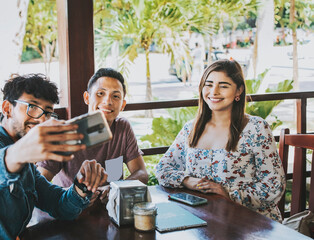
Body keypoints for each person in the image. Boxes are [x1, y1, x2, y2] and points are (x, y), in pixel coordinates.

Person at [0, 74, 107, 239]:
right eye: (32, 107)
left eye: (48, 113)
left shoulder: (28, 168)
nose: (42, 119)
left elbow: (60, 205)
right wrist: (21, 152)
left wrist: (81, 185)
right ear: (7, 109)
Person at [155, 59, 286, 222]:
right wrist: (187, 181)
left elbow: (274, 186)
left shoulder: (256, 128)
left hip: (251, 223)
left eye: (223, 86)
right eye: (208, 84)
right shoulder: (192, 129)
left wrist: (228, 193)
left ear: (238, 91)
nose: (214, 92)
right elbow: (162, 169)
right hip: (203, 219)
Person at [37, 68, 148, 203]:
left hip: (110, 211)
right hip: (71, 213)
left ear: (122, 104)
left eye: (116, 96)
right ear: (87, 98)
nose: (108, 101)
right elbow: (40, 184)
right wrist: (77, 194)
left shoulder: (122, 128)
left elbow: (141, 173)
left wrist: (115, 187)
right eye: (100, 93)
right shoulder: (67, 133)